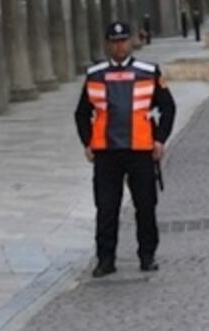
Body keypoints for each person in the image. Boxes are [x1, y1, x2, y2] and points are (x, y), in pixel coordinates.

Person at [74, 21, 177, 277]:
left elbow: (168, 107)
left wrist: (160, 140)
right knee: (106, 207)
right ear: (108, 44)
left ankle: (147, 255)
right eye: (114, 41)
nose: (119, 46)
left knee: (145, 205)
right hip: (106, 153)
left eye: (123, 41)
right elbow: (81, 113)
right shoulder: (95, 74)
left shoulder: (149, 71)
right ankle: (105, 259)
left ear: (131, 42)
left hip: (140, 150)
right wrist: (87, 143)